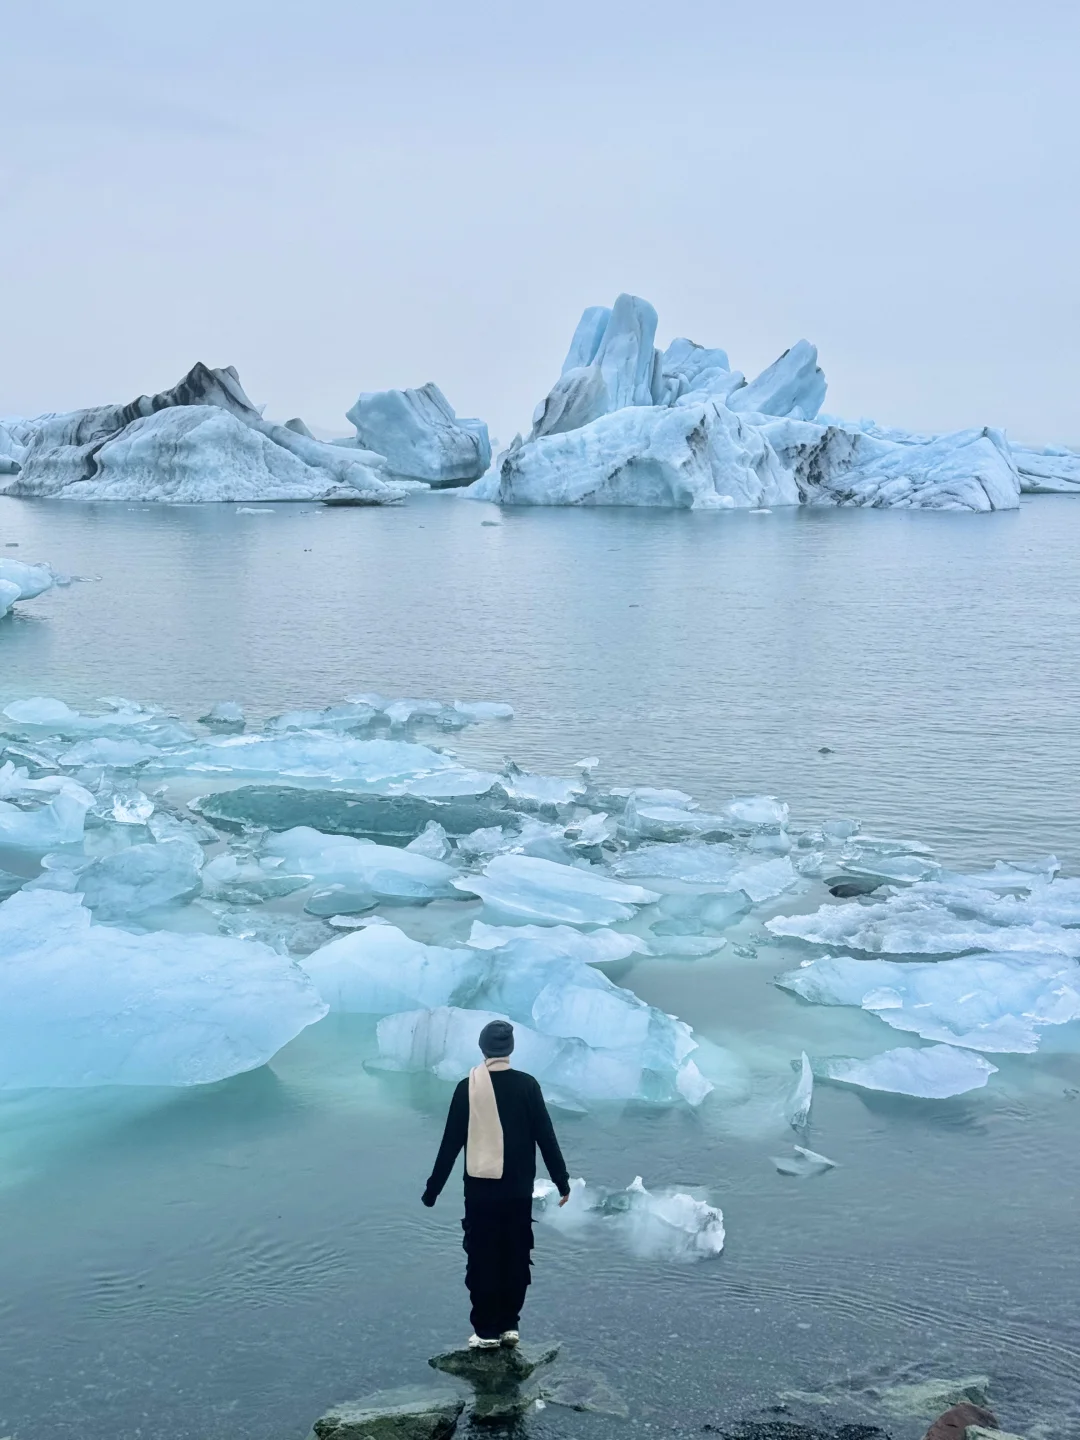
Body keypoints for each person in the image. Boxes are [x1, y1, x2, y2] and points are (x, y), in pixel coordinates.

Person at [422, 1019, 571, 1349]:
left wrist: (433, 1189)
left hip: (480, 1192)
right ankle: (510, 1325)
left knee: (482, 1256)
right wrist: (562, 1181)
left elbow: (451, 1143)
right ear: (510, 1049)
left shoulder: (467, 1088)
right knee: (515, 1254)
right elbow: (546, 1137)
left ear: (482, 1048)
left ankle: (486, 1330)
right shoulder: (527, 1086)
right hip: (518, 1191)